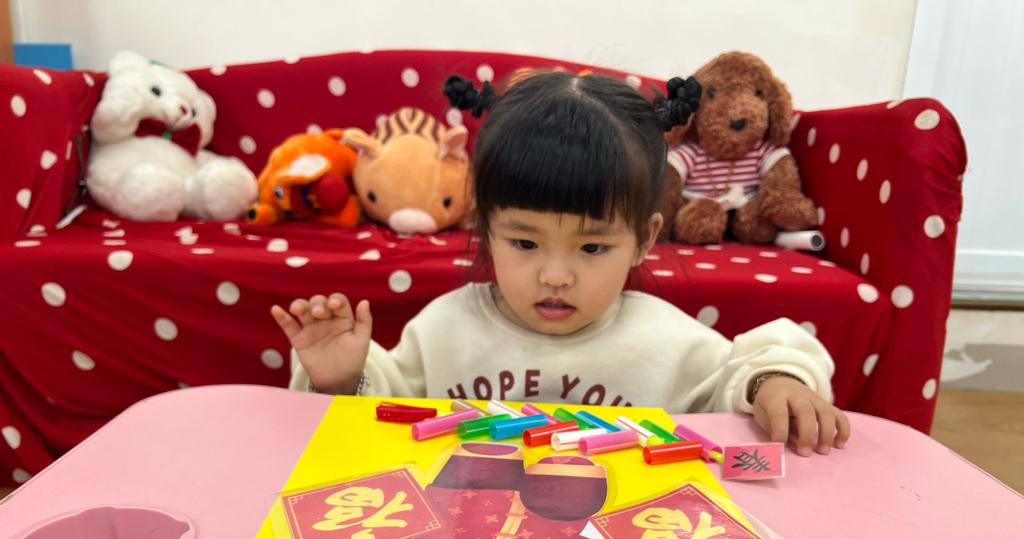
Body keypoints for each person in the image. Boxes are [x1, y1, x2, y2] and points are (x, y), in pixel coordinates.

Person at [271, 70, 850, 456]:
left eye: (592, 248)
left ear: (644, 240)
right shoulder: (446, 327)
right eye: (524, 244)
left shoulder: (665, 340)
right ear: (486, 228)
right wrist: (341, 379)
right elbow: (385, 412)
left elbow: (744, 372)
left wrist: (777, 383)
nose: (555, 276)